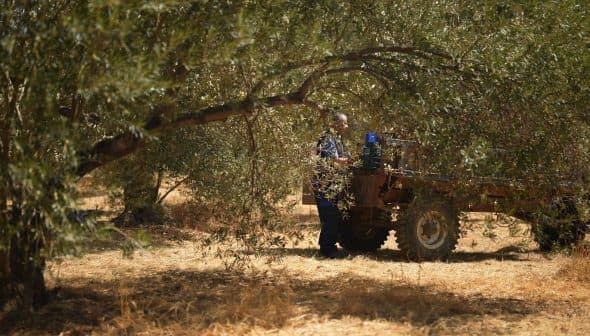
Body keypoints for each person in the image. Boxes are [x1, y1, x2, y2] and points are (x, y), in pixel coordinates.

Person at [312, 112, 351, 259]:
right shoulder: (329, 139)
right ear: (336, 124)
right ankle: (328, 250)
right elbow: (334, 160)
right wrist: (350, 160)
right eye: (344, 124)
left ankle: (326, 246)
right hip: (325, 185)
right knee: (330, 216)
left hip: (328, 184)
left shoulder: (334, 139)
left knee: (331, 216)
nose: (346, 127)